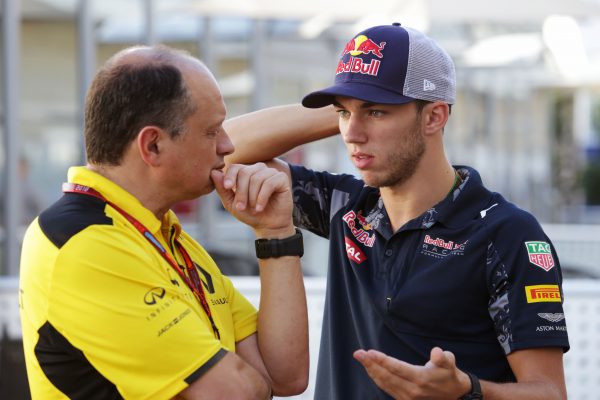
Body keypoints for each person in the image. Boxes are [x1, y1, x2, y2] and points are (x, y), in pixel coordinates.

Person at [224, 23, 569, 399]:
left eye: (376, 113)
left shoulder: (506, 234)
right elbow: (225, 152)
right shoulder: (348, 205)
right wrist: (352, 105)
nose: (351, 135)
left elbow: (549, 392)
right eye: (343, 114)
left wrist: (467, 391)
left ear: (434, 117)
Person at [19, 45, 309, 399]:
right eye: (212, 131)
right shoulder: (85, 243)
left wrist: (275, 233)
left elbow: (286, 376)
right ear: (153, 145)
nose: (229, 145)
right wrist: (245, 375)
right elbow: (234, 393)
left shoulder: (162, 233)